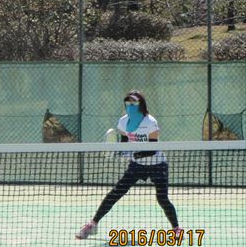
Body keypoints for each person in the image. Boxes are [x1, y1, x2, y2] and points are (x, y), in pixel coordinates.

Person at [76, 90, 182, 239]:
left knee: (162, 198)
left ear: (141, 104)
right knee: (116, 192)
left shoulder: (150, 122)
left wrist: (133, 154)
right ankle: (92, 225)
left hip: (157, 164)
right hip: (136, 165)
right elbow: (125, 143)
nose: (130, 105)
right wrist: (121, 151)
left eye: (134, 102)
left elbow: (152, 149)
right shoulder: (123, 122)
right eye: (128, 102)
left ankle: (176, 228)